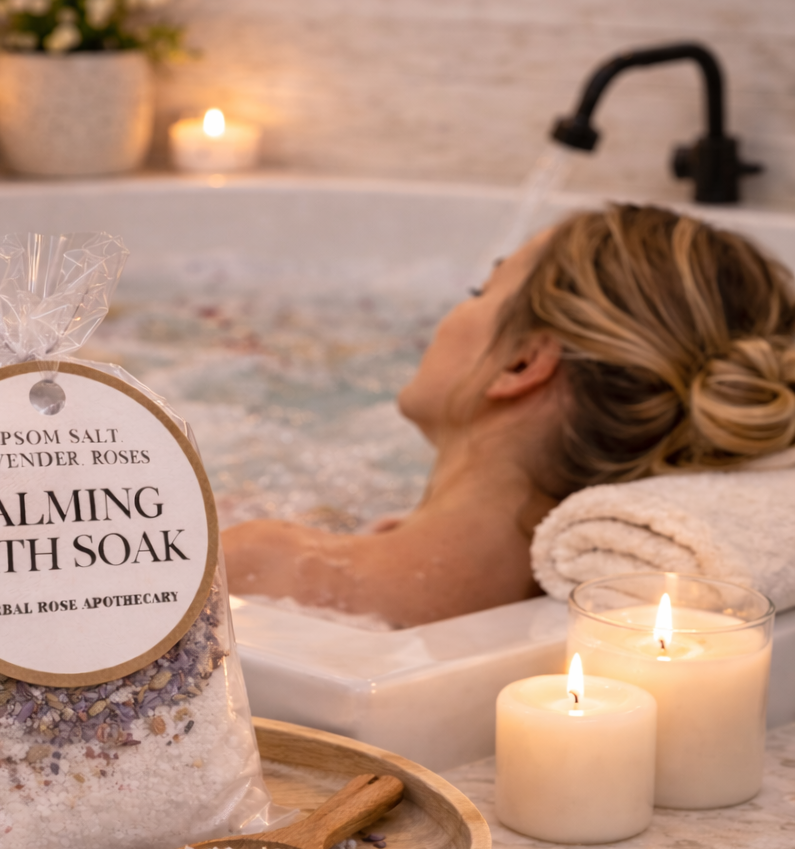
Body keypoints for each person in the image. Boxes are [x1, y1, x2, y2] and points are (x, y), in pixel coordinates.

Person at [221, 203, 795, 627]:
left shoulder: (264, 566)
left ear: (521, 362)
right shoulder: (587, 606)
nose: (454, 312)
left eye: (481, 290)